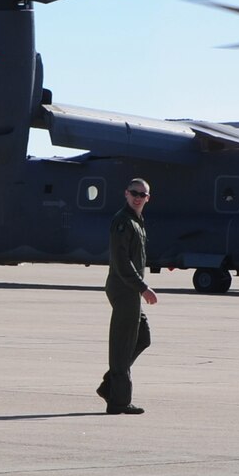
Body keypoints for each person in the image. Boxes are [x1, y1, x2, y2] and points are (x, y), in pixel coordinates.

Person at [99, 177, 158, 416]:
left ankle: (110, 386)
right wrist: (143, 287)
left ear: (147, 199)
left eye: (142, 194)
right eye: (134, 192)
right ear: (126, 194)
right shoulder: (123, 222)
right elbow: (122, 262)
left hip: (129, 290)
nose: (137, 197)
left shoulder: (137, 221)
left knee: (142, 337)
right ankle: (118, 401)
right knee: (122, 345)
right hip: (124, 288)